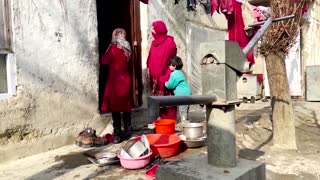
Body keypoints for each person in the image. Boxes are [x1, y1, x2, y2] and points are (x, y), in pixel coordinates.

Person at [100, 28, 132, 144]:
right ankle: (128, 129)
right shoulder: (127, 47)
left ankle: (117, 134)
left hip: (116, 81)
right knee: (126, 105)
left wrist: (109, 47)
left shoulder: (113, 48)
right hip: (126, 80)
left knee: (116, 108)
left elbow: (104, 60)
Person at [146, 20, 177, 119]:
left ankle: (170, 122)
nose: (152, 32)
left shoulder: (170, 43)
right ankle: (163, 122)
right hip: (155, 78)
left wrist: (166, 74)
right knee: (160, 101)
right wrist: (149, 70)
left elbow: (172, 61)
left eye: (154, 29)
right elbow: (150, 58)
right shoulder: (153, 43)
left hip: (166, 76)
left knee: (169, 101)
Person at [165, 56, 192, 123]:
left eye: (170, 65)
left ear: (174, 66)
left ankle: (184, 124)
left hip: (182, 95)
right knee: (185, 110)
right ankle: (185, 122)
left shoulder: (174, 74)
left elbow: (170, 85)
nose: (169, 67)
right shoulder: (180, 73)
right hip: (187, 93)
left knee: (182, 110)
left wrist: (166, 83)